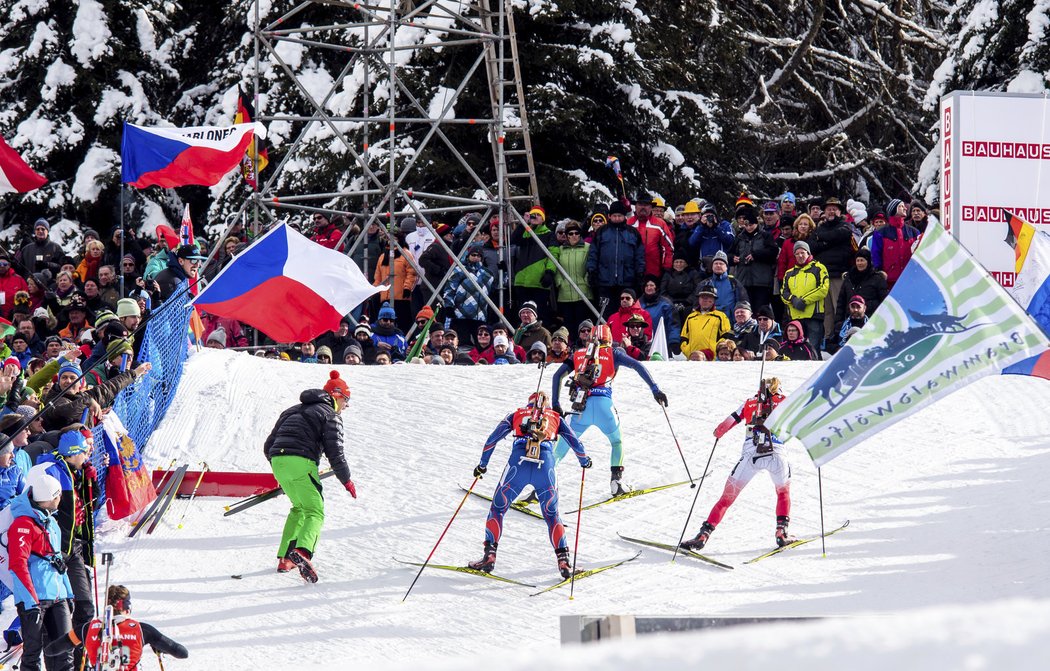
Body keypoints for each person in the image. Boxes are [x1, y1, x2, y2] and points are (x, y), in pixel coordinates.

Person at [468, 391, 591, 579]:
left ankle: (489, 557)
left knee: (497, 509)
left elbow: (491, 441)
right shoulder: (555, 417)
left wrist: (482, 465)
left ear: (528, 404)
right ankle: (564, 562)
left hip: (518, 465)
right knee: (551, 515)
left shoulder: (516, 414)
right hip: (546, 466)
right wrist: (584, 461)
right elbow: (576, 443)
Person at [550, 324, 667, 495]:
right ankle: (616, 482)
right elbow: (637, 365)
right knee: (616, 442)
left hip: (580, 407)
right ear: (610, 338)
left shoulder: (579, 353)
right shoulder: (614, 352)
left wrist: (555, 404)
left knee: (563, 445)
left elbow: (556, 376)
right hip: (605, 405)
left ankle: (544, 482)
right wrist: (655, 389)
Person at [681, 378, 795, 551]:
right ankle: (781, 532)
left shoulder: (749, 402)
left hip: (751, 454)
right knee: (782, 492)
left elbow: (722, 427)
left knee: (726, 499)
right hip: (777, 454)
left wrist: (718, 433)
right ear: (779, 389)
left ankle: (703, 534)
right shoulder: (786, 401)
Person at [263, 371, 356, 583]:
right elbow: (336, 452)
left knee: (299, 507)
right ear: (337, 395)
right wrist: (347, 480)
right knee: (315, 511)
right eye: (347, 400)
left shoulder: (290, 411)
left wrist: (281, 465)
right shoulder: (330, 415)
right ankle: (303, 552)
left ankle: (285, 558)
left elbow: (268, 446)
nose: (347, 406)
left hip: (278, 461)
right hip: (301, 462)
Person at [36, 428, 104, 668]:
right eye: (84, 451)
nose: (87, 455)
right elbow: (57, 515)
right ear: (74, 453)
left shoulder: (77, 472)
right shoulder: (55, 472)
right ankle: (64, 660)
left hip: (74, 547)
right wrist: (58, 552)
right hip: (58, 551)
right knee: (62, 610)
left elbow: (89, 507)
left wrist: (92, 482)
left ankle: (79, 660)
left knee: (85, 608)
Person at [7, 466, 75, 671]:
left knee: (64, 650)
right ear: (51, 497)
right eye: (58, 495)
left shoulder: (52, 523)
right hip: (35, 599)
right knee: (32, 653)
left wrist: (68, 593)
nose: (61, 499)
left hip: (58, 596)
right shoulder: (22, 524)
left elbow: (58, 562)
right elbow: (18, 565)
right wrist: (30, 603)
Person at [45, 584, 189, 670]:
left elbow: (52, 650)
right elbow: (182, 653)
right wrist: (159, 645)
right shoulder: (142, 630)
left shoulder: (87, 628)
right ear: (128, 606)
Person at [586, 201, 645, 318]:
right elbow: (593, 254)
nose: (617, 218)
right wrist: (591, 271)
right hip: (605, 282)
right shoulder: (602, 232)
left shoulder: (632, 233)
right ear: (609, 216)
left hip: (627, 281)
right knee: (605, 315)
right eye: (614, 216)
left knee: (627, 313)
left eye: (620, 216)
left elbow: (639, 256)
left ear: (624, 217)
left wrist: (640, 273)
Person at [780, 240, 829, 355]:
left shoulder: (819, 268)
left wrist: (803, 301)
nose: (800, 256)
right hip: (795, 317)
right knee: (796, 349)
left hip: (813, 316)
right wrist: (793, 300)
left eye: (803, 252)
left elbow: (823, 289)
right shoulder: (789, 273)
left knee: (813, 348)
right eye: (797, 254)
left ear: (808, 253)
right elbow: (783, 292)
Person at [680, 282, 730, 362]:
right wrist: (687, 350)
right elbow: (684, 337)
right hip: (692, 358)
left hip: (712, 359)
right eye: (703, 297)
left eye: (709, 297)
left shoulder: (720, 316)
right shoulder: (691, 317)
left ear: (714, 300)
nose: (705, 299)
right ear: (699, 300)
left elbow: (726, 335)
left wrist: (715, 349)